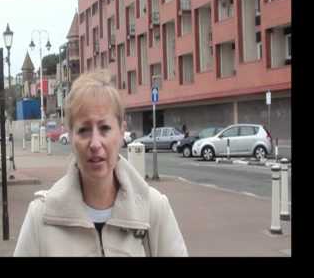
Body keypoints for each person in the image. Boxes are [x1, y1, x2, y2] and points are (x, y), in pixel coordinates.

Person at [14, 70, 188, 257]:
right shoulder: (41, 217)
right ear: (71, 136)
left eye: (104, 128)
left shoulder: (154, 210)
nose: (95, 143)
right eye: (84, 130)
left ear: (121, 132)